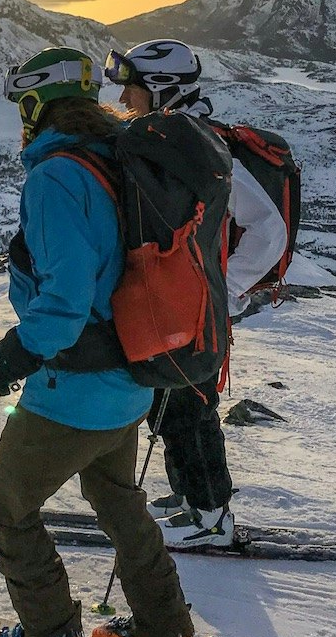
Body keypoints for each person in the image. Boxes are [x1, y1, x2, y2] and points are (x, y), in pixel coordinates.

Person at [0, 48, 216, 637]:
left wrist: (2, 361)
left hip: (76, 387)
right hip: (131, 378)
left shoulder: (57, 177)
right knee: (116, 498)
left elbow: (64, 298)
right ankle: (166, 633)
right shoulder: (119, 156)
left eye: (23, 104)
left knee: (3, 500)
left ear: (37, 105)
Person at [103, 39, 288, 549]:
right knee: (170, 403)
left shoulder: (205, 147)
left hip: (199, 307)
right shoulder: (176, 140)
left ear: (162, 89)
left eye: (133, 89)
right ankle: (190, 496)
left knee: (191, 408)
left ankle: (211, 516)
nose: (123, 100)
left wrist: (221, 290)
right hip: (182, 303)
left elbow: (268, 230)